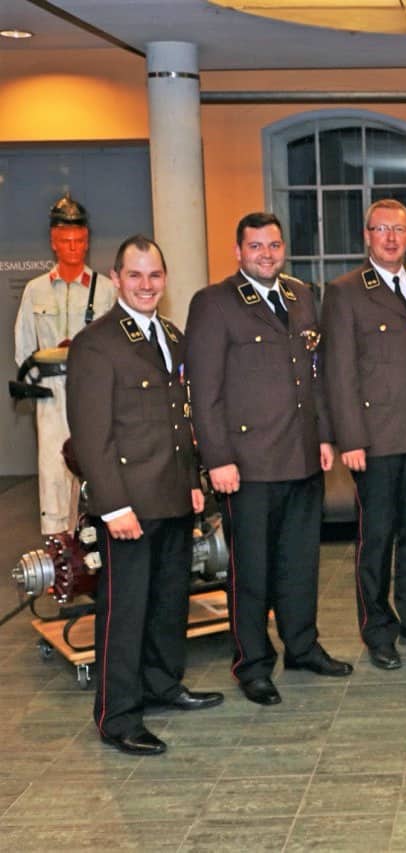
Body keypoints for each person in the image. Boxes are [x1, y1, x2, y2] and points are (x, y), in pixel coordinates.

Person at [186, 212, 352, 706]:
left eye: (274, 245)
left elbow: (315, 373)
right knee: (252, 572)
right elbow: (203, 390)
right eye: (255, 246)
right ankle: (252, 664)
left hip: (301, 456)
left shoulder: (301, 295)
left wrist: (324, 435)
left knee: (300, 564)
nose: (266, 254)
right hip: (247, 465)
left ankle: (302, 646)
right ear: (238, 251)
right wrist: (217, 457)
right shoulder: (214, 303)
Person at [66, 235, 223, 756]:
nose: (146, 284)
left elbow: (181, 420)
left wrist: (193, 483)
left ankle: (160, 684)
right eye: (135, 275)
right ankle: (118, 715)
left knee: (167, 602)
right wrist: (113, 506)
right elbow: (91, 436)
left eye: (154, 275)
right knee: (125, 612)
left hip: (172, 496)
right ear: (116, 279)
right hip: (128, 504)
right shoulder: (97, 343)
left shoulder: (171, 336)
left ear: (165, 279)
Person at [322, 199, 406, 669]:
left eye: (399, 229)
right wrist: (350, 438)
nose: (391, 238)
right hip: (376, 441)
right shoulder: (345, 292)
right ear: (367, 235)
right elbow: (339, 371)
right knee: (377, 541)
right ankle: (378, 630)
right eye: (381, 229)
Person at [14, 195, 117, 534]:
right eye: (65, 240)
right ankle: (59, 548)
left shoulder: (105, 291)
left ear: (87, 242)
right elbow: (24, 348)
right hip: (52, 393)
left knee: (98, 462)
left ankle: (100, 540)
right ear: (53, 242)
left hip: (94, 391)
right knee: (54, 471)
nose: (73, 247)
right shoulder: (35, 290)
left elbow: (118, 346)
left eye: (79, 240)